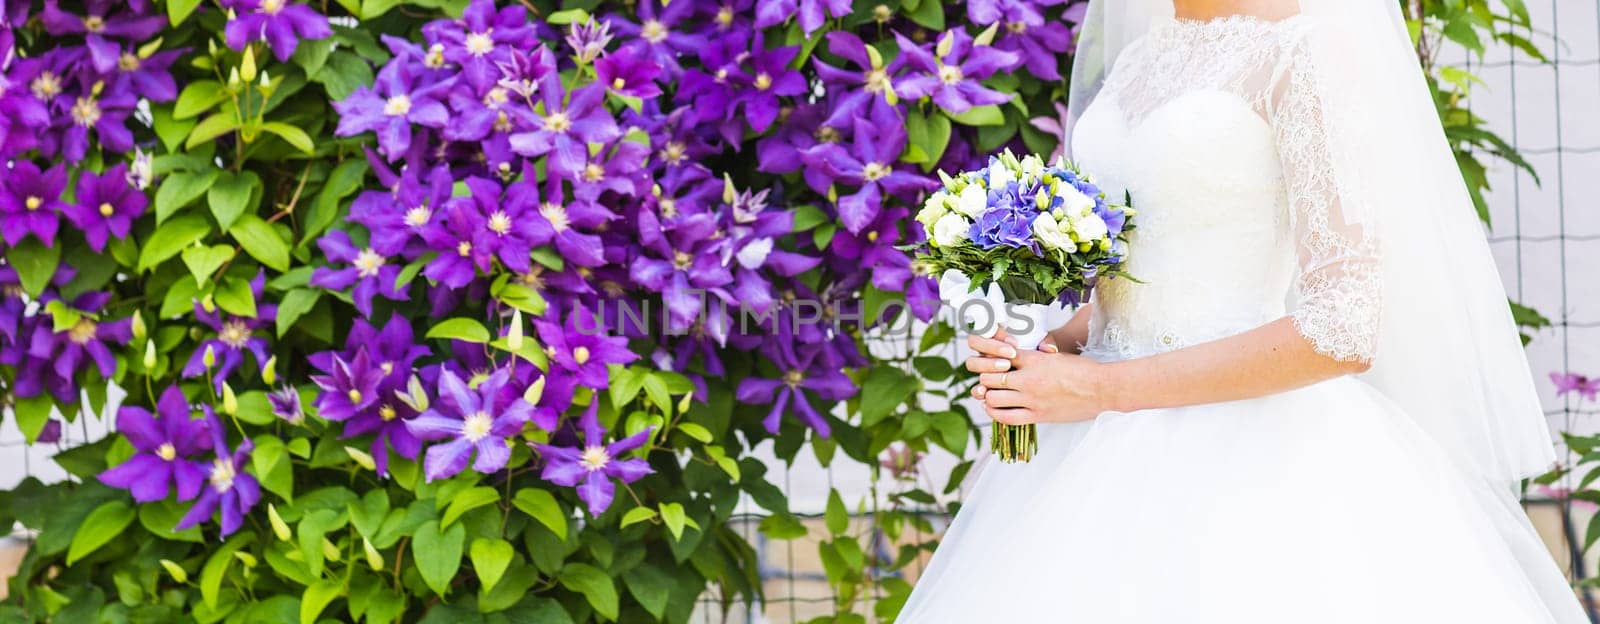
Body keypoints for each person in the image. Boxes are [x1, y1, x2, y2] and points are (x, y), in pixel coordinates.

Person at [896, 0, 1591, 621]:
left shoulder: (1306, 51)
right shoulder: (1140, 58)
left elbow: (1344, 325)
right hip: (1092, 450)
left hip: (1252, 457)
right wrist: (1047, 346)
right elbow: (1141, 278)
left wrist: (1104, 389)